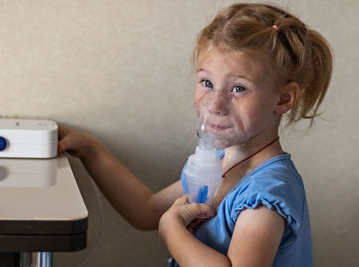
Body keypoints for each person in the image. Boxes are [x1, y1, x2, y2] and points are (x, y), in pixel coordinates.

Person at [58, 2, 332, 266]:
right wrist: (90, 150)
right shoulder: (222, 163)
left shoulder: (265, 196)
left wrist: (171, 230)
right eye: (207, 83)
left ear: (283, 99)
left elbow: (161, 220)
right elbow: (145, 210)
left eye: (238, 88)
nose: (214, 104)